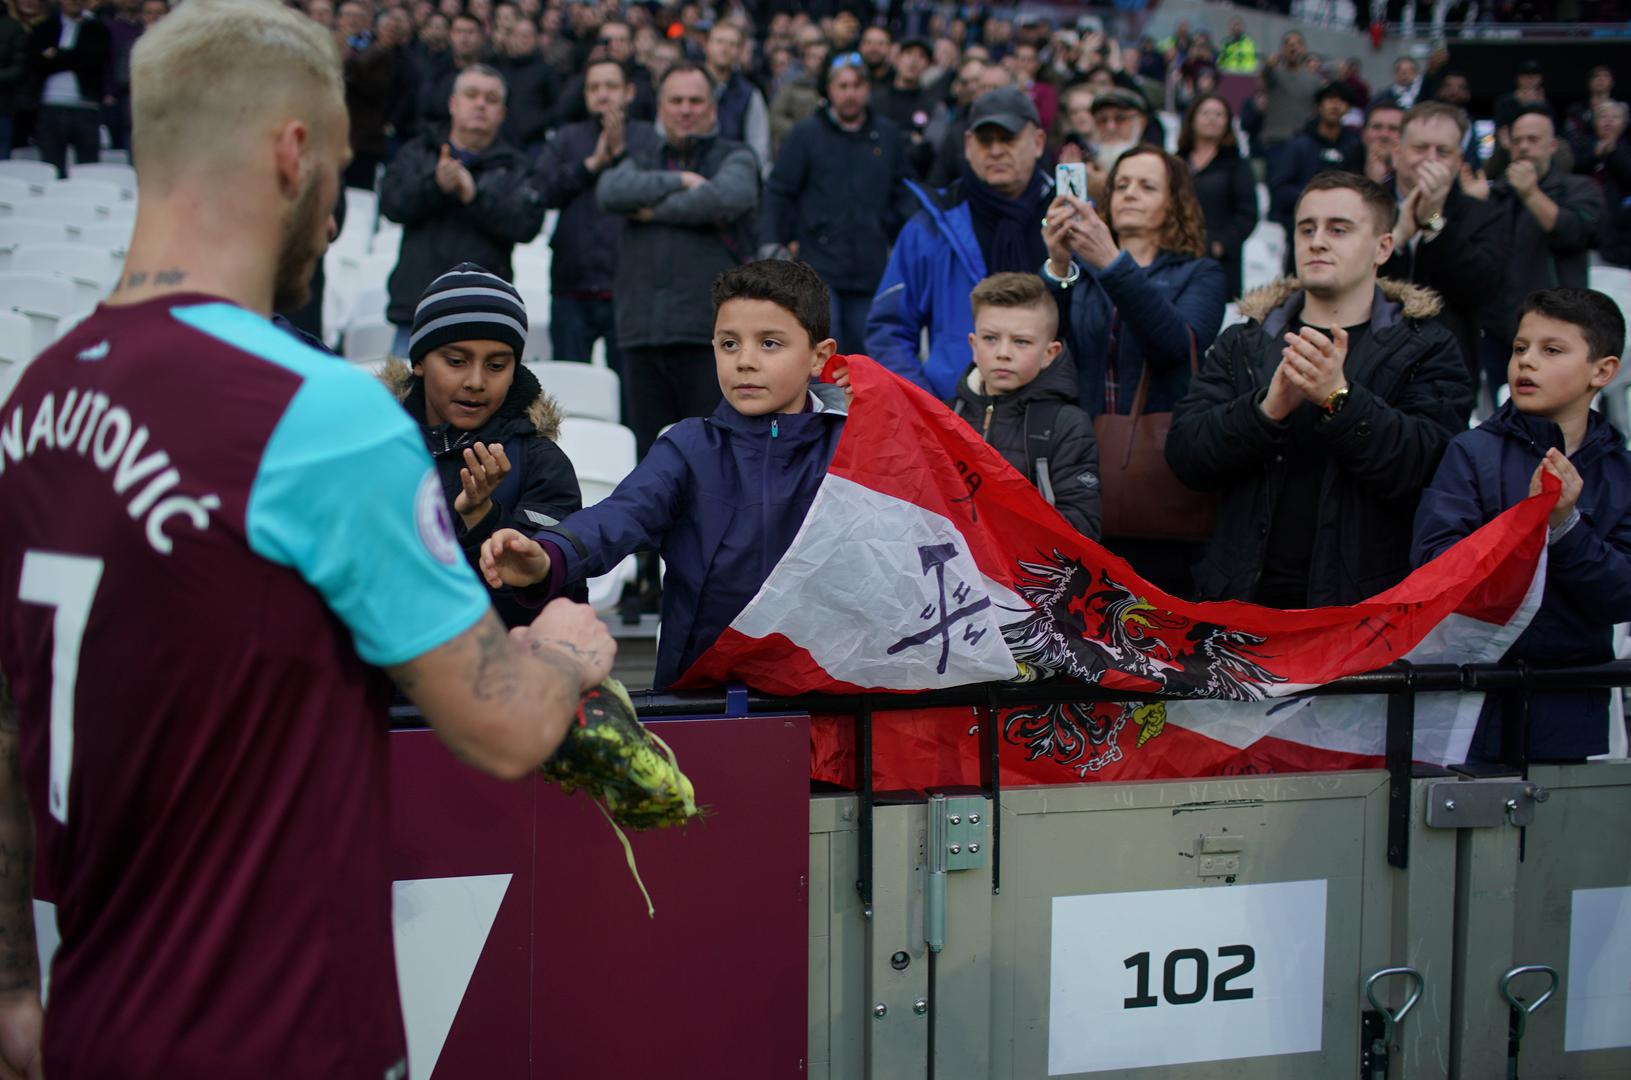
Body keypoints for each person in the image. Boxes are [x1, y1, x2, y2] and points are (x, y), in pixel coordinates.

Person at [0, 2, 613, 1075]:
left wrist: (12, 979)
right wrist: (566, 648)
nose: (334, 207)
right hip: (280, 1033)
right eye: (337, 167)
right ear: (294, 155)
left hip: (90, 1022)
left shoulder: (34, 400)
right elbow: (507, 730)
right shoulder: (317, 415)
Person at [477, 260, 846, 690]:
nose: (744, 361)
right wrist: (549, 555)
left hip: (830, 696)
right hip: (707, 697)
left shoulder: (852, 449)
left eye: (769, 344)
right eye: (729, 344)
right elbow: (617, 517)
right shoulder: (689, 448)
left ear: (819, 356)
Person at [1166, 171, 1472, 608]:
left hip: (1363, 608)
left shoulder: (1426, 345)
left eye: (1339, 229)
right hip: (1243, 602)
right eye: (1306, 228)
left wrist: (1340, 399)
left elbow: (1427, 467)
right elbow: (1186, 455)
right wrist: (1266, 410)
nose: (1317, 241)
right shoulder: (1246, 340)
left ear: (1383, 247)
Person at [1413, 288, 1631, 762]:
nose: (1527, 362)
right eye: (1519, 348)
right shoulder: (1471, 452)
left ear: (1603, 371)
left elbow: (1622, 594)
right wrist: (1524, 529)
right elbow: (1435, 567)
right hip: (1470, 698)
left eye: (1552, 350)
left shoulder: (1622, 474)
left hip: (1573, 702)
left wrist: (1566, 527)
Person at [384, 264, 584, 625]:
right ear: (419, 362)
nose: (476, 381)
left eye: (496, 365)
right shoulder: (373, 450)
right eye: (456, 361)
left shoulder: (541, 461)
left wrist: (483, 518)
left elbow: (559, 602)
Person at [596, 61, 759, 456]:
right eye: (676, 100)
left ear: (712, 109)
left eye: (695, 100)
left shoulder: (735, 155)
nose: (686, 109)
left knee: (714, 456)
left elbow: (725, 196)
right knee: (649, 461)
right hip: (641, 335)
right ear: (661, 108)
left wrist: (653, 208)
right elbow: (612, 190)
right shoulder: (640, 154)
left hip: (711, 339)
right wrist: (680, 182)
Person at [864, 85, 1054, 399]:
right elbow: (889, 331)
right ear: (967, 145)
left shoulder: (1070, 217)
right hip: (957, 416)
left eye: (1008, 138)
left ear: (1038, 142)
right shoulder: (930, 226)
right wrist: (930, 410)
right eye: (985, 140)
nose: (995, 150)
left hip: (1053, 420)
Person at [380, 63, 545, 356]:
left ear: (502, 114)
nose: (481, 104)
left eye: (491, 99)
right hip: (417, 310)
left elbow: (526, 224)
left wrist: (473, 196)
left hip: (485, 315)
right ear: (453, 104)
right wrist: (436, 185)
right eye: (472, 95)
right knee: (401, 400)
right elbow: (392, 204)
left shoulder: (516, 165)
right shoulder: (420, 151)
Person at [761, 49, 915, 353]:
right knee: (825, 353)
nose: (850, 94)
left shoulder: (886, 136)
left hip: (870, 267)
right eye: (842, 86)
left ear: (867, 89)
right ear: (829, 89)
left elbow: (903, 192)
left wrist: (902, 237)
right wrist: (772, 241)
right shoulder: (806, 134)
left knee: (864, 356)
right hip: (819, 266)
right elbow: (780, 190)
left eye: (857, 86)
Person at [1463, 106, 1603, 397]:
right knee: (1502, 411)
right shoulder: (1497, 193)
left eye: (1533, 139)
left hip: (1558, 330)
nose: (1524, 147)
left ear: (1552, 145)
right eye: (1517, 140)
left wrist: (1530, 193)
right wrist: (1474, 206)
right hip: (1499, 330)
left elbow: (1572, 232)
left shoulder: (1579, 187)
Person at [949, 272, 1101, 539]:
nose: (1003, 352)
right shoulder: (948, 415)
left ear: (1049, 353)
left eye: (1021, 341)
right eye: (990, 338)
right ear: (973, 345)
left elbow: (1083, 525)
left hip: (1024, 576)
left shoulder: (1066, 424)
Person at [537, 55, 653, 380]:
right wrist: (591, 164)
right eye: (594, 88)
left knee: (631, 394)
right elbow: (542, 193)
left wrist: (620, 156)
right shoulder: (566, 139)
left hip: (629, 290)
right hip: (572, 286)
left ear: (629, 92)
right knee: (570, 391)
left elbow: (656, 191)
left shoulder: (648, 138)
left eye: (611, 86)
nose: (603, 95)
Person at [1381, 101, 1504, 382]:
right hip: (1365, 365)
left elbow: (1482, 289)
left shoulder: (1483, 213)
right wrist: (1397, 239)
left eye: (1443, 151)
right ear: (1398, 153)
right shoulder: (1363, 206)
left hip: (1445, 374)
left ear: (1459, 160)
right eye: (1420, 148)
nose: (1431, 159)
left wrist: (1434, 224)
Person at [1180, 93, 1258, 299]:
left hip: (1219, 261)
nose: (1212, 118)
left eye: (1219, 114)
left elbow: (1247, 214)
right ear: (1193, 119)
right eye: (1206, 113)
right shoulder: (1176, 161)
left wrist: (1220, 246)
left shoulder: (1237, 164)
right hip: (1175, 254)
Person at [25, 0, 109, 177]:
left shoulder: (98, 29)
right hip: (50, 106)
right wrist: (76, 55)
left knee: (89, 171)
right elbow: (35, 62)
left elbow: (94, 61)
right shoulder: (45, 28)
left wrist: (56, 55)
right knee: (51, 170)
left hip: (86, 107)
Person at [1269, 81, 1363, 234]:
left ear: (1348, 109)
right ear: (1319, 106)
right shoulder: (1298, 144)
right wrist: (1318, 196)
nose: (1335, 105)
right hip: (1301, 227)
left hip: (1342, 227)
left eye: (1342, 101)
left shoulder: (1354, 146)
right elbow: (1280, 189)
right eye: (1330, 99)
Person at [702, 20, 768, 173]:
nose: (725, 49)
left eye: (733, 44)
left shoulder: (750, 95)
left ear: (740, 51)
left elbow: (758, 148)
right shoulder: (686, 84)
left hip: (732, 176)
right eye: (719, 42)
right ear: (706, 45)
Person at [1570, 99, 1631, 266]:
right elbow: (1573, 168)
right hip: (1585, 231)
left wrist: (1613, 153)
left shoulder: (1627, 150)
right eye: (1603, 117)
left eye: (1615, 117)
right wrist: (1596, 155)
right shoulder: (1581, 145)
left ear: (1624, 123)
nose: (1609, 121)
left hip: (1620, 235)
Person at [493, 14, 559, 158]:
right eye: (518, 35)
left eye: (528, 35)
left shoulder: (546, 70)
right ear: (510, 39)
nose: (523, 39)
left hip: (533, 144)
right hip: (500, 141)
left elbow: (556, 107)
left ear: (536, 40)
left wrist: (535, 124)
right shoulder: (499, 69)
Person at [768, 27, 826, 155]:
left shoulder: (835, 85)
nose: (818, 61)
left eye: (822, 57)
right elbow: (775, 118)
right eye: (813, 57)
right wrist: (801, 132)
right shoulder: (791, 83)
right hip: (797, 148)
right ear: (804, 59)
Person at [1360, 100, 1404, 184]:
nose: (1384, 135)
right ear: (1363, 134)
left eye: (1393, 128)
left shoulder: (1413, 177)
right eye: (1377, 127)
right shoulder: (1343, 169)